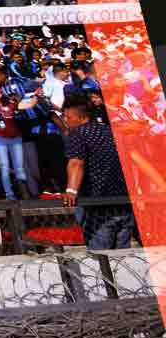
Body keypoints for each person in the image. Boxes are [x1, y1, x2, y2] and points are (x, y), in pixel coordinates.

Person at [63, 95, 134, 250]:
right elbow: (135, 159)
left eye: (68, 117)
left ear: (81, 117)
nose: (65, 120)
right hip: (123, 203)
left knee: (100, 260)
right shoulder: (111, 131)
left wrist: (71, 190)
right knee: (124, 261)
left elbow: (76, 163)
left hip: (97, 206)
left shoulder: (78, 134)